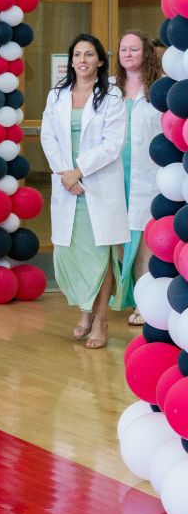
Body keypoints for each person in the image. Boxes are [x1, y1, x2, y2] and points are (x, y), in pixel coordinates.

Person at [40, 33, 129, 350]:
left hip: (98, 185)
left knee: (100, 256)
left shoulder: (112, 96)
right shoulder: (57, 95)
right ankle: (86, 311)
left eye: (89, 54)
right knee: (71, 255)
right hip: (69, 187)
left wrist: (78, 171)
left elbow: (112, 144)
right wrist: (65, 174)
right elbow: (48, 137)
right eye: (77, 55)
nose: (82, 60)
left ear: (100, 61)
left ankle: (100, 321)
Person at [112, 31, 161, 325]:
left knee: (144, 243)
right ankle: (126, 294)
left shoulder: (160, 88)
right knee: (119, 243)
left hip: (148, 176)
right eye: (123, 49)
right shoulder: (109, 88)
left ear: (146, 53)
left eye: (134, 49)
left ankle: (144, 304)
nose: (128, 54)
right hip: (115, 176)